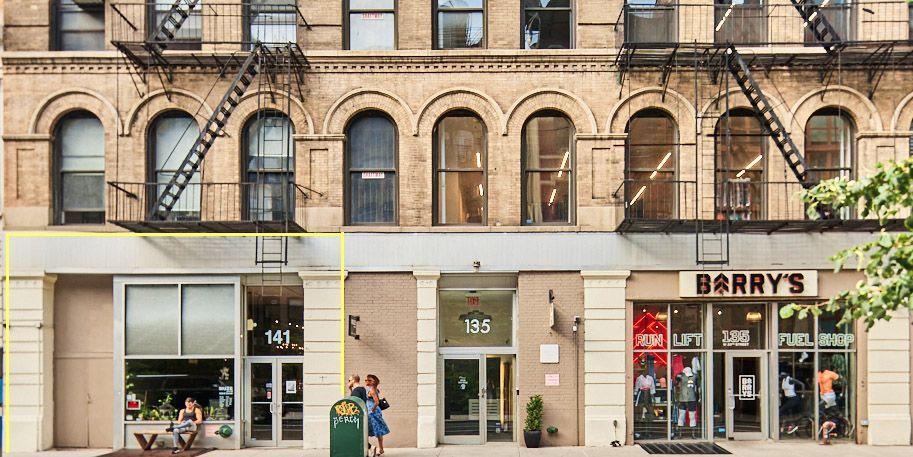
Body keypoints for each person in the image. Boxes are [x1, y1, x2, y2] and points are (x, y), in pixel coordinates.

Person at [365, 374, 390, 455]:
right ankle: (380, 449)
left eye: (369, 380)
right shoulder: (374, 389)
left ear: (373, 382)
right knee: (377, 430)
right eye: (366, 380)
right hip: (374, 411)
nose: (366, 381)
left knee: (372, 430)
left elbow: (377, 402)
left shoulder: (372, 390)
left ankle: (375, 448)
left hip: (373, 412)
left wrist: (372, 410)